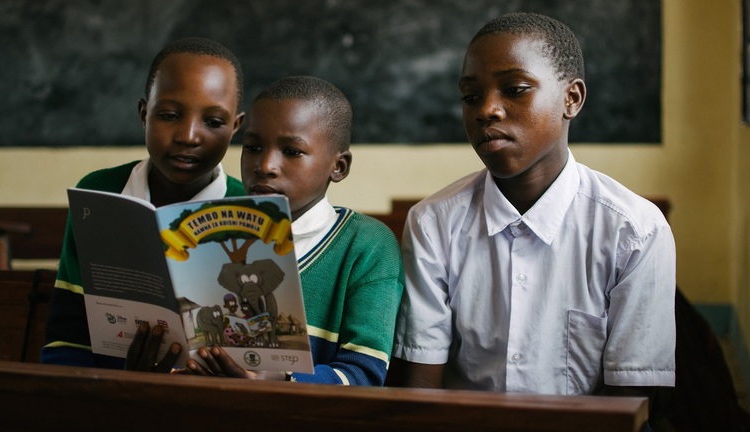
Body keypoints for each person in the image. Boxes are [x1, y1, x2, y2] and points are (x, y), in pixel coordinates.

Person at [390, 11, 676, 417]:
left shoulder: (635, 230)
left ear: (571, 99)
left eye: (515, 89)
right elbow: (422, 391)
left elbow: (630, 405)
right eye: (471, 96)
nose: (487, 110)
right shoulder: (433, 223)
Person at [174, 75, 405, 385]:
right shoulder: (214, 235)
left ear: (339, 167)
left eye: (292, 151)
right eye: (253, 147)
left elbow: (364, 374)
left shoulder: (367, 246)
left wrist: (283, 378)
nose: (265, 165)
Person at [42, 37, 247, 368]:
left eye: (213, 122)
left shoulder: (251, 207)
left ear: (235, 127)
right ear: (143, 113)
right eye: (169, 115)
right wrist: (126, 375)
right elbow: (67, 337)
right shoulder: (100, 192)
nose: (189, 135)